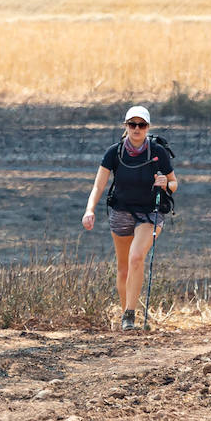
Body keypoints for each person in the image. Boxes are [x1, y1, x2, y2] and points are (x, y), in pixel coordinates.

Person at [82, 106, 178, 331]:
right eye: (132, 124)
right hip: (121, 212)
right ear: (125, 126)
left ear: (148, 127)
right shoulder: (114, 152)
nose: (136, 129)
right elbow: (99, 185)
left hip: (149, 213)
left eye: (141, 125)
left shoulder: (158, 152)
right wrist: (89, 210)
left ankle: (130, 314)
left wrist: (166, 184)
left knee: (136, 257)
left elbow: (175, 184)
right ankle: (127, 319)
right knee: (124, 268)